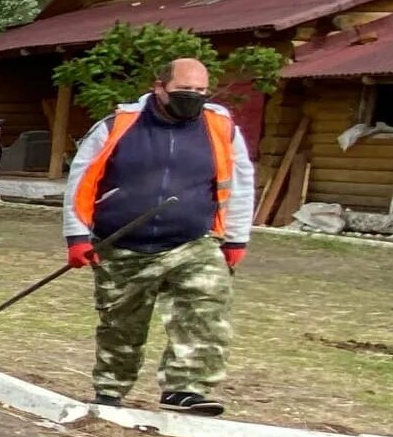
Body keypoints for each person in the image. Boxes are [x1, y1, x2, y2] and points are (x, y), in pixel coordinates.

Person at [62, 57, 256, 415]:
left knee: (206, 308)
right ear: (159, 87)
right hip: (121, 243)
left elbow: (240, 184)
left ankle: (187, 388)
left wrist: (236, 239)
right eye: (184, 90)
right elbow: (81, 181)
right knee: (121, 325)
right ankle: (110, 390)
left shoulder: (221, 128)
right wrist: (77, 237)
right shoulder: (117, 125)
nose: (193, 97)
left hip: (193, 241)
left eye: (200, 91)